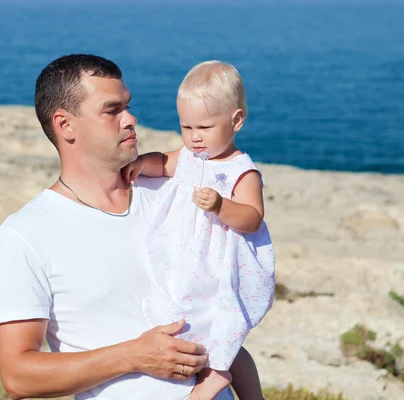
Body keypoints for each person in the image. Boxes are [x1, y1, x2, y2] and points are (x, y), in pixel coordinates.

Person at [0, 54, 263, 400]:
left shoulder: (177, 190)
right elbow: (18, 376)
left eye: (127, 106)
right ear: (65, 125)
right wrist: (132, 357)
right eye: (112, 110)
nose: (130, 119)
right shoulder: (26, 234)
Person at [123, 61, 275, 400]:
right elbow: (163, 161)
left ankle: (218, 380)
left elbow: (252, 217)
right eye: (186, 126)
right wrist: (140, 164)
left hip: (220, 261)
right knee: (200, 326)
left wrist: (221, 205)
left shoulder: (241, 170)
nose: (194, 137)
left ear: (235, 121)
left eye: (204, 127)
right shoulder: (190, 157)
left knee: (225, 330)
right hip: (188, 259)